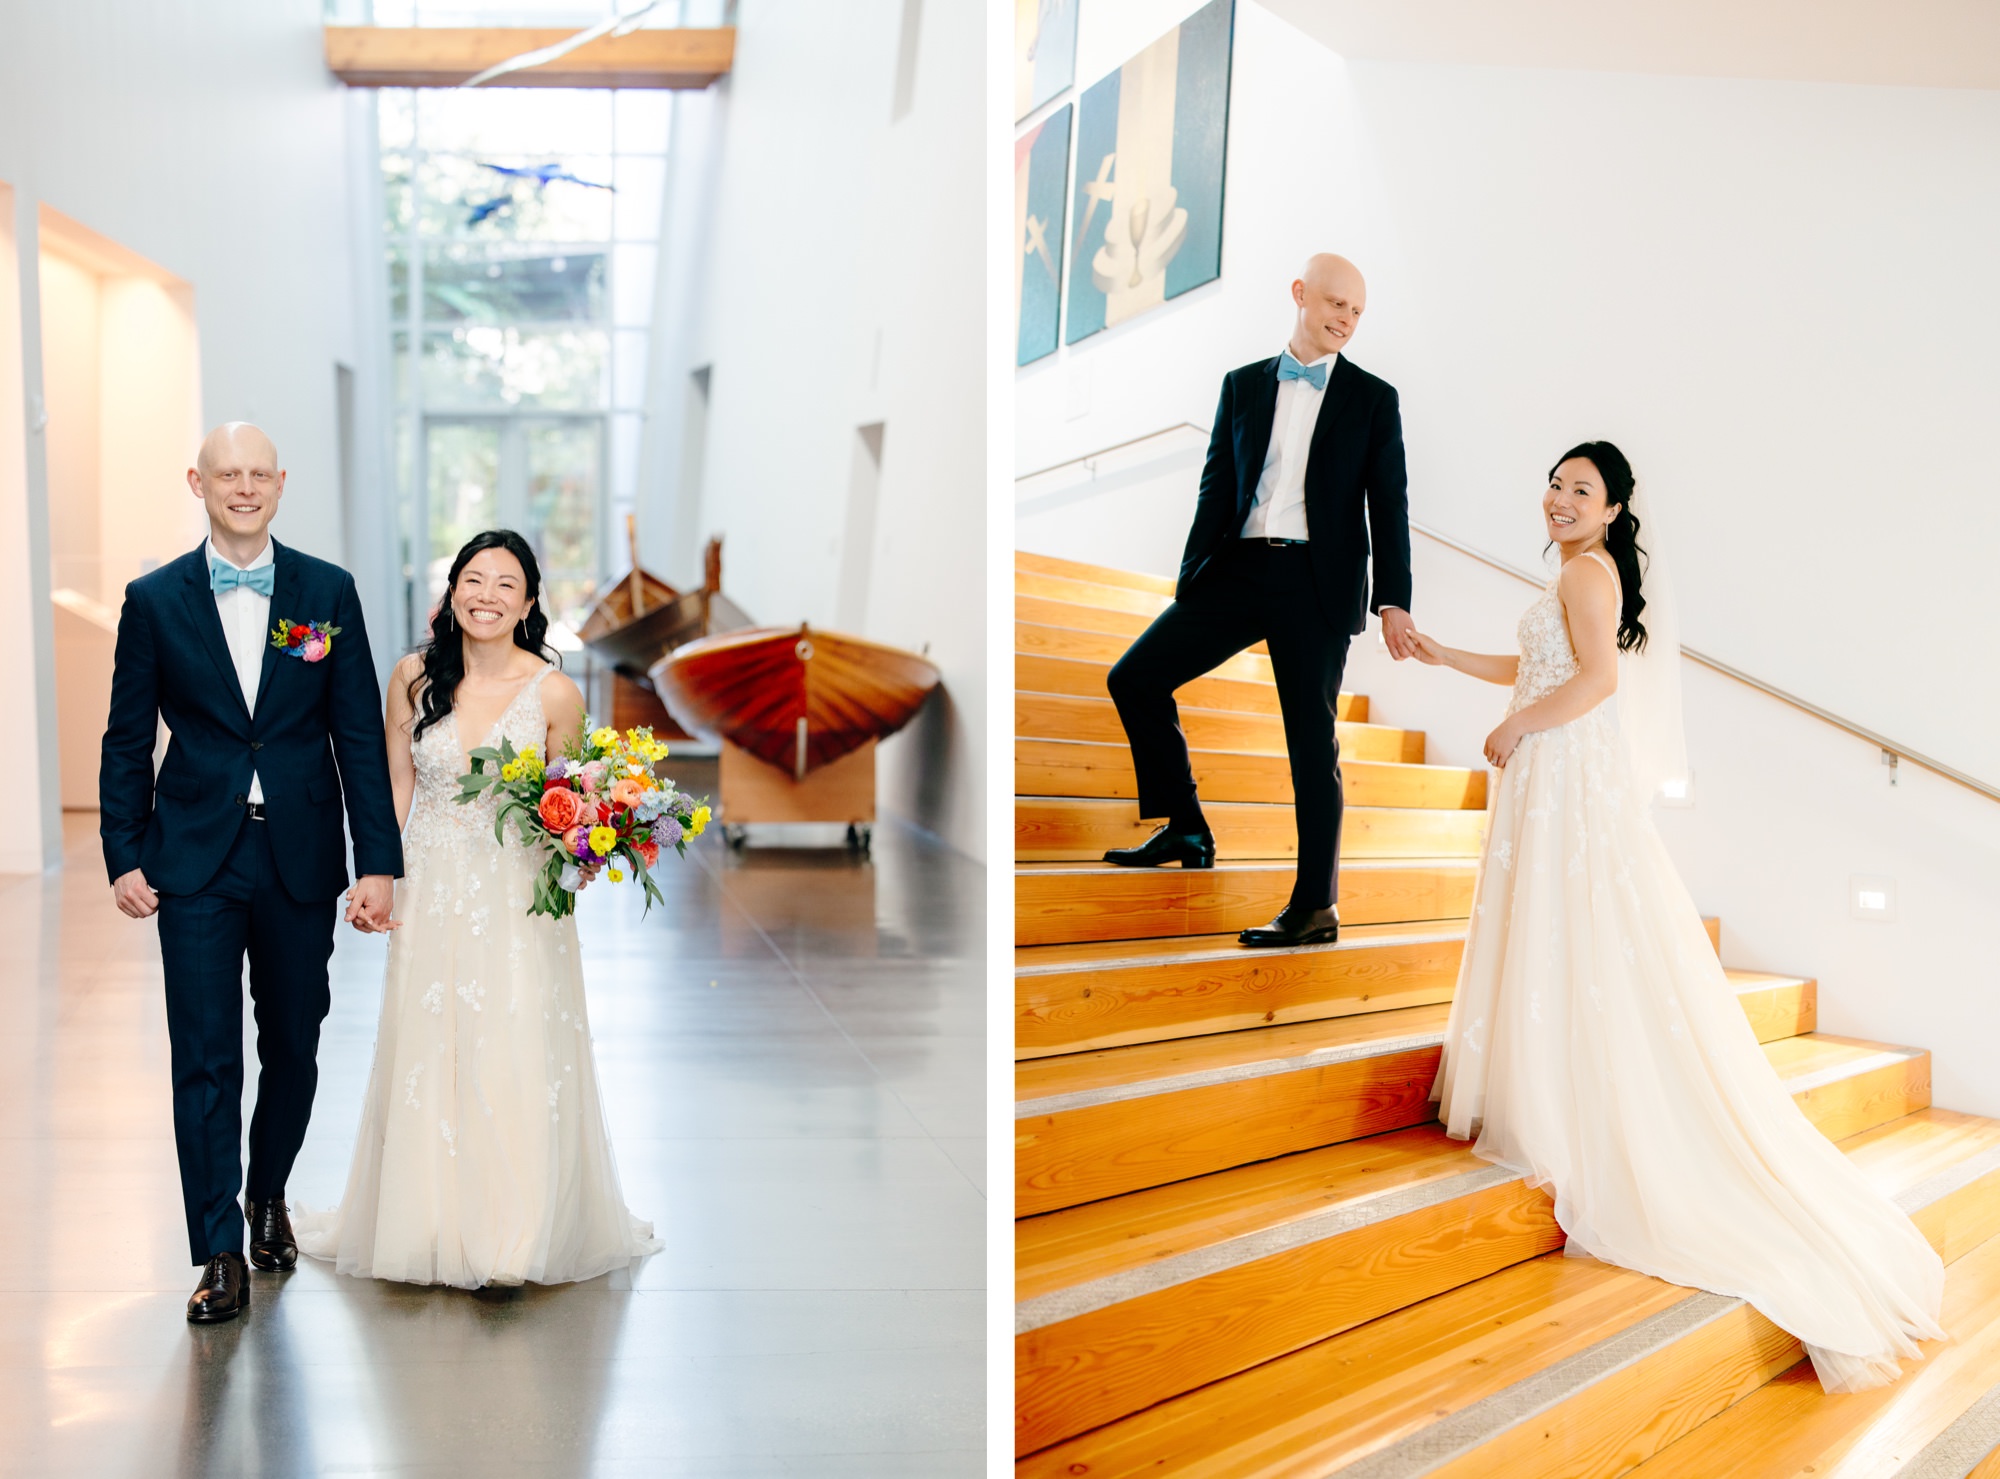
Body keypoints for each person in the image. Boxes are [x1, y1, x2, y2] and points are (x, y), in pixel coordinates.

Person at [1411, 441, 1944, 1391]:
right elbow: (1538, 666)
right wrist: (1445, 653)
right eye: (1557, 483)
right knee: (1557, 933)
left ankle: (1567, 1103)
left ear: (1613, 509)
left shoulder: (1587, 568)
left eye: (1583, 490)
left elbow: (1594, 685)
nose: (1562, 498)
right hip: (1554, 769)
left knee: (1574, 931)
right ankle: (1546, 1083)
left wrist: (1517, 728)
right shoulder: (1574, 574)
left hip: (1563, 770)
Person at [293, 529, 660, 1288]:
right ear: (451, 590)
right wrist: (375, 873)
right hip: (430, 885)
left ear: (529, 602)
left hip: (520, 895)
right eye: (472, 578)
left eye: (505, 584)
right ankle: (427, 1221)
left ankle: (512, 1233)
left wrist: (587, 850)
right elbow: (393, 785)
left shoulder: (554, 690)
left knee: (514, 1044)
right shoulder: (411, 677)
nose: (485, 595)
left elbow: (577, 795)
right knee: (433, 1046)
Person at [100, 422, 403, 1324]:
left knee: (296, 1041)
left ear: (281, 482)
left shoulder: (326, 591)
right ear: (197, 481)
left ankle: (266, 1189)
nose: (242, 487)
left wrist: (378, 862)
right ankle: (218, 1250)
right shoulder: (154, 599)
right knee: (202, 1056)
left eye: (257, 473)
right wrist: (124, 852)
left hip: (299, 855)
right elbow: (127, 738)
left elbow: (356, 737)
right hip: (192, 858)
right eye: (225, 473)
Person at [1102, 253, 1416, 948]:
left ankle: (1315, 906)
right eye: (1336, 303)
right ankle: (1185, 823)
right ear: (1300, 294)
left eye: (1358, 311)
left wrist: (1395, 598)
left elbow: (1387, 507)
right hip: (1238, 571)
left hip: (1316, 586)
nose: (1346, 319)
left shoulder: (1372, 399)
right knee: (1135, 677)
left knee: (1312, 745)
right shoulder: (1241, 385)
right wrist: (1192, 579)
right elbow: (1217, 485)